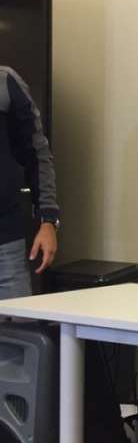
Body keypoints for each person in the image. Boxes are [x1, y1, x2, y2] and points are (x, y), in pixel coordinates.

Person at [0, 66, 60, 299]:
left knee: (19, 334)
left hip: (5, 246)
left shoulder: (5, 82)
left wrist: (48, 221)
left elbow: (38, 155)